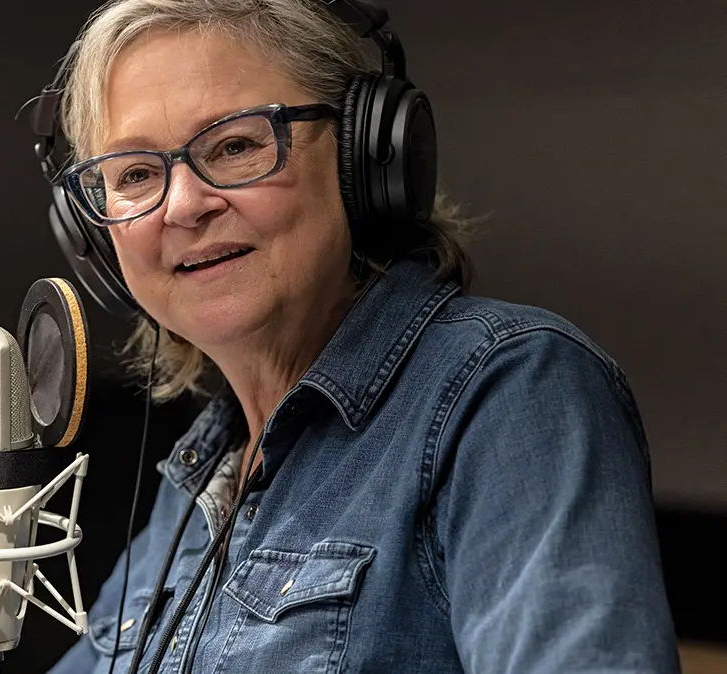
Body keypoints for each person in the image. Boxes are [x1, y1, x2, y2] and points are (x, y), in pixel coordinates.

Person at [40, 0, 680, 672]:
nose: (184, 204)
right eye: (135, 173)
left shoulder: (509, 394)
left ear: (361, 155)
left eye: (234, 145)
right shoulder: (197, 478)